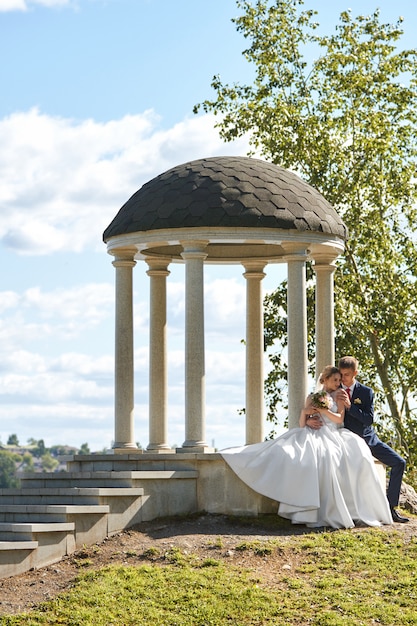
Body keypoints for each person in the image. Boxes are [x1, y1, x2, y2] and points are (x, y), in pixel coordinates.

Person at [221, 366, 392, 529]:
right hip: (312, 432)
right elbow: (302, 423)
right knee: (293, 454)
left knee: (338, 455)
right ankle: (304, 510)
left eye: (339, 380)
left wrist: (324, 411)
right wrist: (307, 416)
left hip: (333, 433)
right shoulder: (312, 396)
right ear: (324, 379)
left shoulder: (339, 396)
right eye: (334, 380)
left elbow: (339, 420)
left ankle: (333, 510)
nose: (338, 383)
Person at [337, 356, 409, 523]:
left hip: (369, 440)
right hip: (346, 442)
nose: (343, 378)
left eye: (347, 374)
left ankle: (390, 508)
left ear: (355, 373)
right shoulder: (335, 390)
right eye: (341, 374)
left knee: (399, 462)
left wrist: (350, 407)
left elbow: (368, 419)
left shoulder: (366, 392)